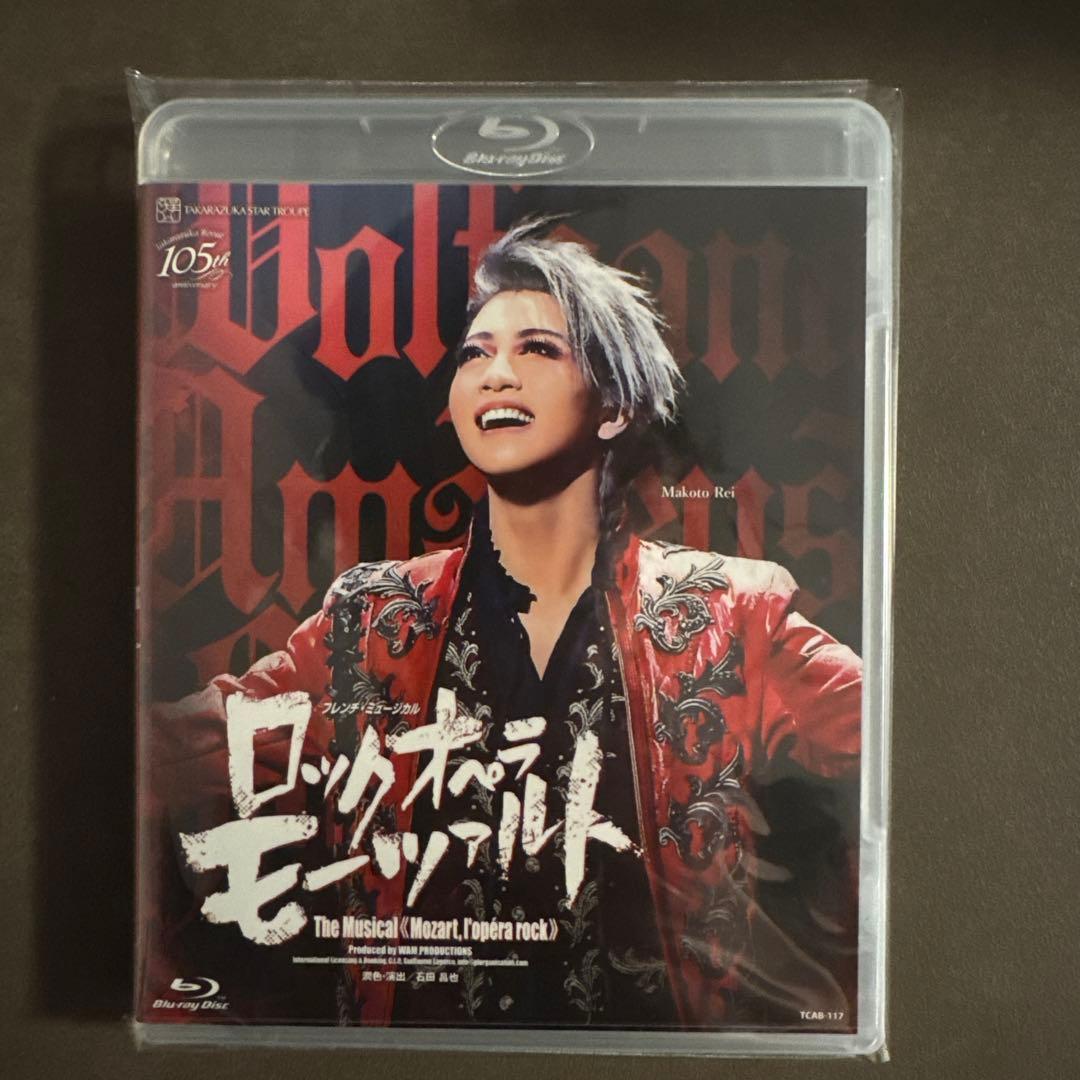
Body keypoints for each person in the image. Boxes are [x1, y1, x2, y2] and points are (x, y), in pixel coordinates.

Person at [148, 221, 862, 1031]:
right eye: (474, 354)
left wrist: (815, 1004)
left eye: (539, 350)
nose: (495, 373)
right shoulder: (370, 618)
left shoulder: (732, 612)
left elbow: (897, 757)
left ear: (614, 406)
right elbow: (172, 759)